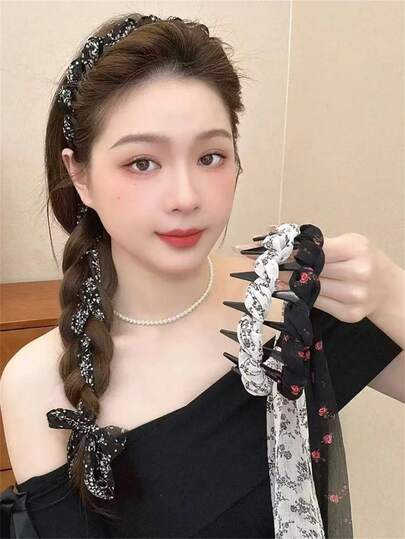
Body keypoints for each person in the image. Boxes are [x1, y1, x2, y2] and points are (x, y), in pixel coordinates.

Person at [0, 12, 403, 539]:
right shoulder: (37, 384)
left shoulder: (292, 300)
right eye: (142, 163)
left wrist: (392, 293)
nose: (186, 197)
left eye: (210, 156)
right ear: (80, 176)